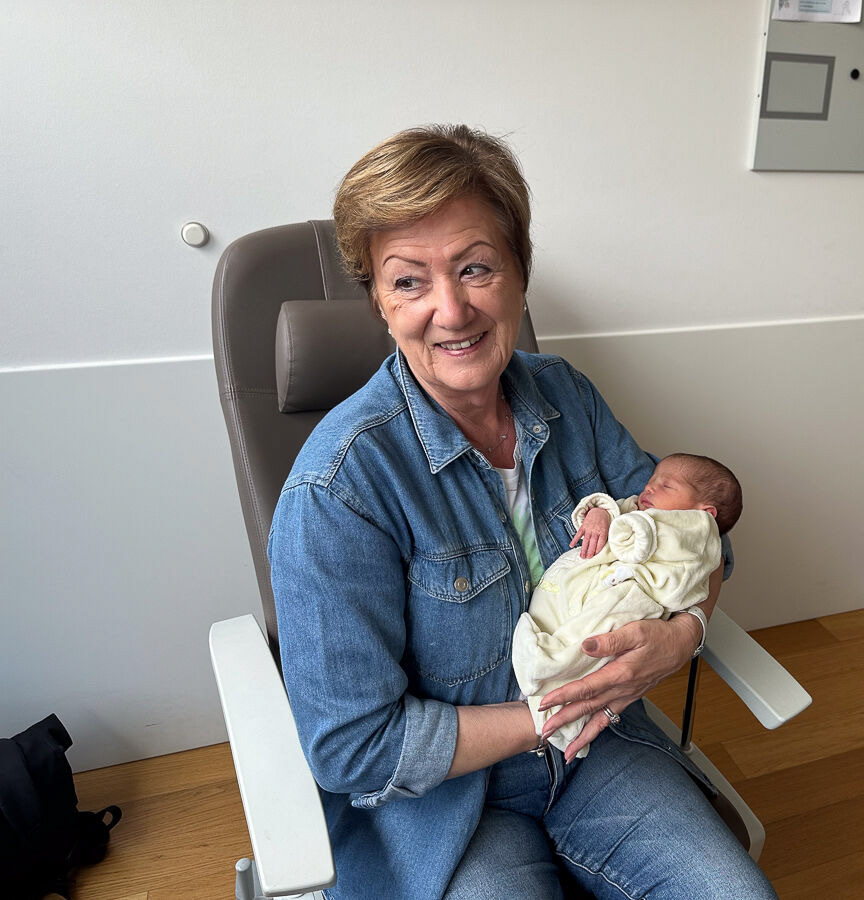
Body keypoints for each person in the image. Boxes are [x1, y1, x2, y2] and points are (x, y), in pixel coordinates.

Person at [268, 124, 778, 899]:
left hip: (600, 752)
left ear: (519, 274)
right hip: (449, 807)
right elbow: (354, 749)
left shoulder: (566, 395)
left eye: (475, 268)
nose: (450, 310)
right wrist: (553, 710)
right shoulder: (338, 488)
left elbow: (700, 541)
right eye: (408, 281)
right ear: (378, 301)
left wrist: (683, 636)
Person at [513, 454, 742, 756]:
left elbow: (673, 572)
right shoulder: (641, 508)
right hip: (597, 581)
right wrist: (600, 514)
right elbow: (614, 509)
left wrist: (688, 631)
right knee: (562, 615)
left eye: (666, 485)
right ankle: (549, 685)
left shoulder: (695, 535)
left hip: (636, 597)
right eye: (651, 480)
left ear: (705, 514)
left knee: (593, 635)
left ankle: (549, 670)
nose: (649, 488)